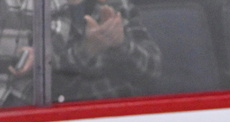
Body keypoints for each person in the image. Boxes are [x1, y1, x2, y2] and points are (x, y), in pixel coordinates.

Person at [0, 0, 161, 107]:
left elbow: (152, 69)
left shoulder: (117, 7)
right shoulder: (30, 9)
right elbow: (37, 73)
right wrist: (88, 50)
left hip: (112, 119)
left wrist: (120, 44)